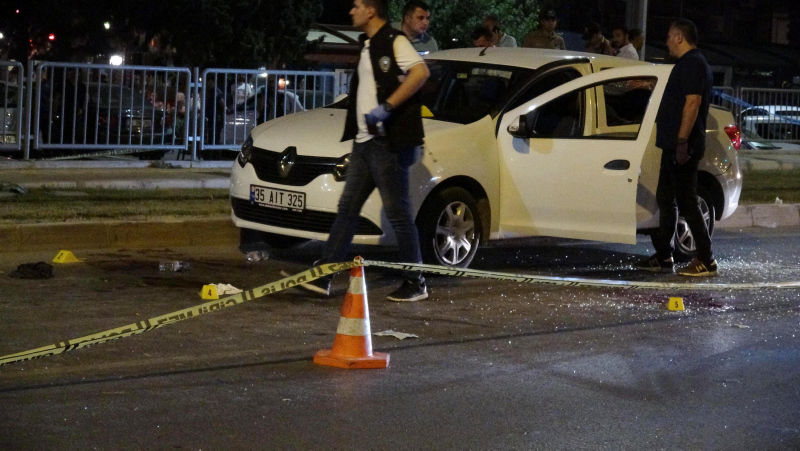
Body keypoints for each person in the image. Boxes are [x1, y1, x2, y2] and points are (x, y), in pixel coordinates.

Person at [295, 0, 431, 301]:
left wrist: (387, 108)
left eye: (357, 6)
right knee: (347, 209)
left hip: (386, 143)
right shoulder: (368, 44)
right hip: (365, 141)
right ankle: (324, 276)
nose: (351, 11)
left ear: (371, 10)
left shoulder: (394, 41)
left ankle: (416, 281)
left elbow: (420, 72)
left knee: (398, 214)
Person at [636, 19, 717, 277]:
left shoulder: (694, 64)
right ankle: (664, 255)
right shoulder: (684, 64)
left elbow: (692, 103)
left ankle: (707, 260)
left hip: (683, 146)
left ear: (680, 37)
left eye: (670, 36)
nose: (667, 41)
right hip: (673, 145)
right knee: (666, 199)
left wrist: (682, 141)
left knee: (687, 202)